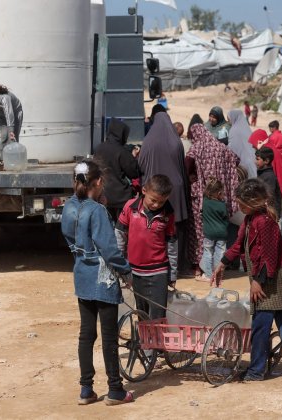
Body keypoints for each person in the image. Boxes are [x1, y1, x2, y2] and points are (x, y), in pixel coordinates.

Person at [212, 179, 282, 382]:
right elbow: (238, 245)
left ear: (255, 202)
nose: (240, 208)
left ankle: (256, 371)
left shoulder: (265, 222)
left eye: (243, 204)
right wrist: (222, 263)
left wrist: (257, 282)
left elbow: (270, 257)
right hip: (270, 278)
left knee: (261, 326)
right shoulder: (250, 220)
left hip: (272, 280)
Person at [61, 160, 134, 405]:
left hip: (82, 274)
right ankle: (115, 390)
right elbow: (110, 250)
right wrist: (126, 271)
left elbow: (73, 238)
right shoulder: (98, 211)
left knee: (86, 335)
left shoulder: (69, 207)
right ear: (99, 182)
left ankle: (86, 390)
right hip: (103, 279)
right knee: (109, 336)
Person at [115, 175, 177, 320]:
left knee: (158, 313)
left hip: (159, 271)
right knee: (141, 312)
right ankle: (143, 341)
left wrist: (172, 273)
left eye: (161, 202)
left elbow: (172, 244)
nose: (156, 205)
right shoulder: (130, 207)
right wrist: (121, 264)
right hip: (135, 271)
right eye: (153, 200)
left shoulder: (168, 213)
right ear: (144, 191)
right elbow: (120, 234)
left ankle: (156, 342)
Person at [185, 124, 240, 278]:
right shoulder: (221, 147)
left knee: (199, 233)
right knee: (220, 236)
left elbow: (187, 164)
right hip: (219, 197)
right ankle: (218, 269)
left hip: (200, 199)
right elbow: (236, 160)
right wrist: (223, 172)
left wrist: (193, 176)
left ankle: (200, 268)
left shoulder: (196, 148)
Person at [139, 112, 190, 274]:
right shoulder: (176, 141)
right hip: (176, 189)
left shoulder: (148, 141)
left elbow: (141, 165)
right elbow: (182, 167)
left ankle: (157, 264)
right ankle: (177, 267)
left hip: (155, 189)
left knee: (156, 226)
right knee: (176, 229)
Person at [93, 120, 141, 221]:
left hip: (102, 195)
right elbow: (134, 173)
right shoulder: (122, 151)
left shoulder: (98, 148)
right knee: (121, 229)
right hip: (121, 198)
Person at [199, 179, 228, 281]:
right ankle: (218, 275)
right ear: (219, 193)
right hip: (222, 233)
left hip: (209, 233)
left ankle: (208, 275)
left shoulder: (205, 201)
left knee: (208, 252)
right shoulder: (222, 205)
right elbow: (225, 217)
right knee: (220, 253)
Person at [226, 109, 258, 179]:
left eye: (229, 120)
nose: (228, 122)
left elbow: (232, 148)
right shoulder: (246, 128)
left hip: (242, 163)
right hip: (253, 160)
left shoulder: (234, 130)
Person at [255, 147, 282, 217]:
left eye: (258, 159)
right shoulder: (262, 174)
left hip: (270, 213)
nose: (255, 162)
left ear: (266, 161)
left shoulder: (269, 176)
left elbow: (269, 197)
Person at [268, 120, 282, 200]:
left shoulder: (271, 136)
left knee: (274, 173)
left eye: (270, 128)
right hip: (280, 156)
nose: (270, 129)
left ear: (274, 128)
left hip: (273, 156)